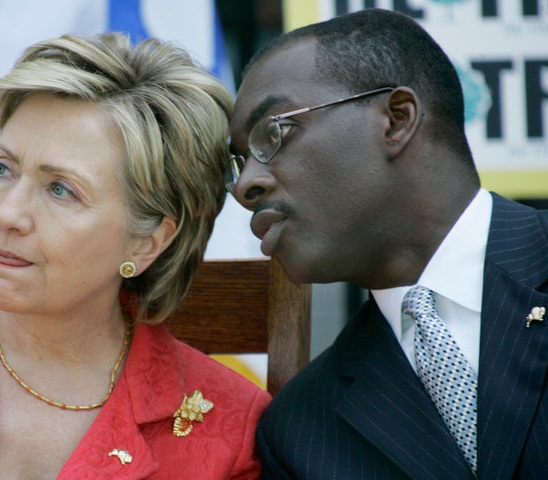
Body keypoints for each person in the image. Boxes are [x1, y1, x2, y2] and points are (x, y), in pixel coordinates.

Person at [0, 32, 271, 479]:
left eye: (61, 189)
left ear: (147, 242)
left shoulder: (227, 431)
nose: (7, 214)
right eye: (2, 168)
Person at [227, 8, 548, 480]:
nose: (244, 186)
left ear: (396, 120)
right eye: (238, 163)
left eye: (274, 132)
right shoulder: (300, 429)